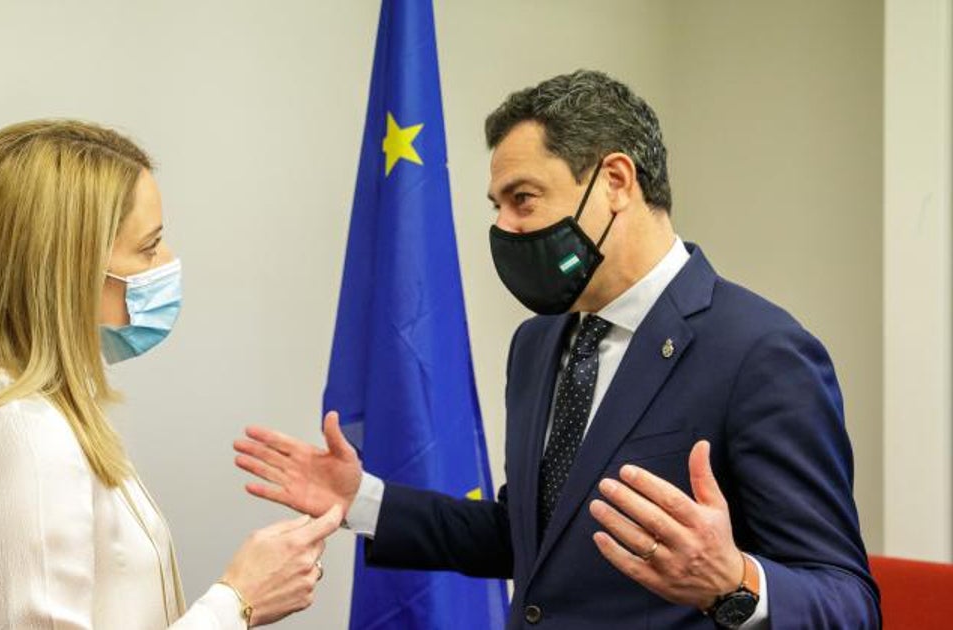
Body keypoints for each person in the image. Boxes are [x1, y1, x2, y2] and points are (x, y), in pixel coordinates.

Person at [234, 70, 880, 628]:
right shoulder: (538, 343)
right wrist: (363, 501)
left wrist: (734, 582)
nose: (503, 228)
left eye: (523, 200)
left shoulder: (762, 354)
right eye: (497, 206)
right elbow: (531, 535)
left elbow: (849, 604)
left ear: (616, 181)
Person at [0, 119, 342, 630]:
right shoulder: (25, 436)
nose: (167, 263)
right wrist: (238, 601)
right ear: (71, 269)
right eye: (148, 247)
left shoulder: (47, 414)